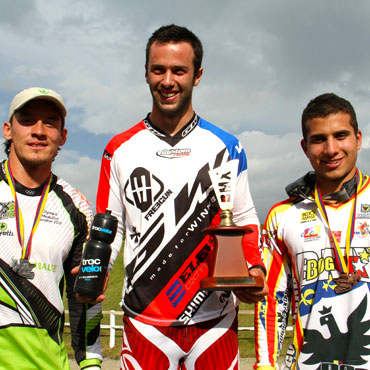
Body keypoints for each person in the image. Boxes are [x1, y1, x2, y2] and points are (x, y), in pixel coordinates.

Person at [96, 24, 267, 369]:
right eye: (158, 69)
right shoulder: (119, 148)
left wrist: (256, 268)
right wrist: (95, 271)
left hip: (214, 320)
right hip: (145, 323)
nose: (168, 80)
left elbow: (245, 217)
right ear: (146, 74)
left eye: (179, 70)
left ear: (197, 75)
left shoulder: (227, 146)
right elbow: (107, 227)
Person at [255, 93, 370, 369]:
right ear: (305, 147)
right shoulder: (282, 216)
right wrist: (266, 366)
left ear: (358, 138)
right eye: (319, 140)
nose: (331, 149)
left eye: (340, 136)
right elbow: (272, 302)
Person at [1, 87, 102, 370]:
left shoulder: (77, 208)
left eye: (50, 122)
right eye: (28, 120)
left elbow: (86, 296)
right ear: (8, 130)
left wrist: (91, 362)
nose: (39, 131)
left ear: (63, 136)